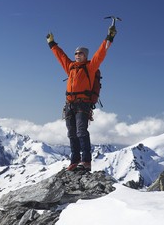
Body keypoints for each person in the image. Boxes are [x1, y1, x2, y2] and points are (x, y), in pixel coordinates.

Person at [46, 25, 117, 172]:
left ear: (85, 55)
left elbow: (101, 53)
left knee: (81, 132)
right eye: (76, 53)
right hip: (69, 105)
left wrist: (109, 37)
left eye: (80, 53)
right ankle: (74, 161)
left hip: (82, 105)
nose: (77, 55)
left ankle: (86, 161)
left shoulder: (90, 67)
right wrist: (52, 44)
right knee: (71, 133)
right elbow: (61, 56)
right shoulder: (71, 67)